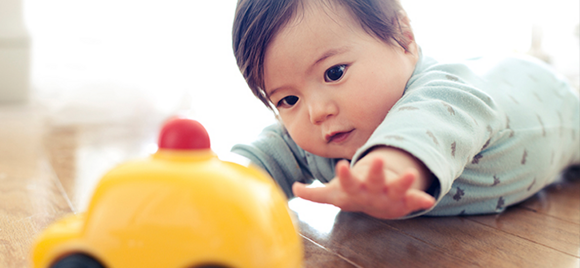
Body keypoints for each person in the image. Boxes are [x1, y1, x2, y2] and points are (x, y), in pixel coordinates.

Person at [230, 0, 580, 219]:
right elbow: (261, 158)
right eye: (287, 100)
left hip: (546, 98)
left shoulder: (446, 95)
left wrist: (382, 173)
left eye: (334, 73)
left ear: (403, 34)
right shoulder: (323, 132)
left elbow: (422, 126)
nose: (316, 111)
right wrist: (220, 184)